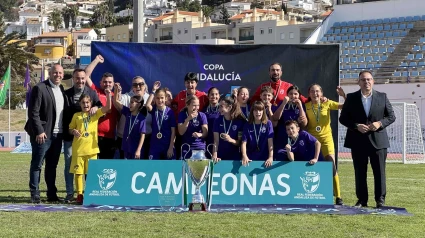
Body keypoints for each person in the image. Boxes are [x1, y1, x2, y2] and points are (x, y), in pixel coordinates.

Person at [339, 70, 396, 208]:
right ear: (359, 82)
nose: (366, 82)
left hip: (378, 142)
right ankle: (362, 200)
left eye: (369, 79)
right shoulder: (351, 98)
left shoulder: (382, 97)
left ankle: (380, 200)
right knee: (359, 172)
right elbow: (343, 118)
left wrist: (380, 123)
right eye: (363, 80)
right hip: (358, 141)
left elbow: (391, 116)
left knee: (379, 172)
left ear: (373, 81)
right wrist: (356, 126)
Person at [25, 64, 65, 203]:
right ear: (50, 73)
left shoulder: (61, 89)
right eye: (55, 72)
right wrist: (39, 131)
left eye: (60, 73)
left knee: (52, 166)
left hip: (57, 135)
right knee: (37, 164)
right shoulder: (40, 88)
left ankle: (51, 194)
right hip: (42, 135)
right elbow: (33, 112)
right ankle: (35, 193)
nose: (58, 75)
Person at [63, 69, 102, 203]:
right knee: (71, 167)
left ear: (86, 79)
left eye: (82, 78)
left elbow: (101, 106)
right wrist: (71, 130)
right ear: (73, 79)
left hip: (89, 142)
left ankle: (89, 193)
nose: (80, 81)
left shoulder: (91, 92)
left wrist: (96, 107)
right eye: (77, 78)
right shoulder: (66, 93)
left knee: (89, 170)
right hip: (71, 137)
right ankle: (70, 193)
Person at [305, 83, 346, 205]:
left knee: (331, 166)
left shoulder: (327, 103)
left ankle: (338, 196)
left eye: (317, 91)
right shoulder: (306, 105)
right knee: (311, 166)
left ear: (321, 93)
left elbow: (345, 106)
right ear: (309, 94)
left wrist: (343, 95)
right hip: (312, 140)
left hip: (326, 139)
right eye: (312, 91)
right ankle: (311, 195)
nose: (315, 93)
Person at [68, 90, 112, 204]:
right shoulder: (76, 116)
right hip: (78, 150)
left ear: (91, 103)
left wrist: (108, 94)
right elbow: (70, 128)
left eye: (87, 102)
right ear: (80, 104)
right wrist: (74, 131)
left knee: (91, 174)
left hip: (92, 150)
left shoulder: (95, 114)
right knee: (78, 173)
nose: (86, 105)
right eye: (83, 103)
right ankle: (80, 195)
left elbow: (107, 107)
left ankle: (91, 193)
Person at [85, 55, 119, 159]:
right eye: (104, 82)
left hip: (109, 138)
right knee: (91, 167)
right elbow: (85, 76)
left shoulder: (116, 97)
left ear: (113, 84)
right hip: (93, 136)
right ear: (100, 83)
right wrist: (96, 61)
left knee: (106, 169)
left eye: (109, 82)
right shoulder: (95, 92)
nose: (107, 84)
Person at [116, 76, 149, 159]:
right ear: (132, 87)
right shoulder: (128, 97)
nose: (138, 87)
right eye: (135, 85)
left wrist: (154, 92)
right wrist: (117, 91)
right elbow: (117, 101)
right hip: (127, 141)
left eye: (140, 84)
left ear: (145, 86)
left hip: (146, 138)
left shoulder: (150, 98)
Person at [273, 86, 308, 161]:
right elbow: (275, 118)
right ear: (287, 95)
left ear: (299, 96)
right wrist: (283, 103)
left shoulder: (301, 105)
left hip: (297, 140)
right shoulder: (282, 103)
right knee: (280, 159)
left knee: (298, 160)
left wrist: (300, 107)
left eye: (295, 94)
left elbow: (304, 124)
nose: (293, 96)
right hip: (282, 139)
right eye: (290, 94)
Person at [145, 81, 177, 160]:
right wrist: (153, 91)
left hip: (167, 144)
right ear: (155, 99)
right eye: (157, 98)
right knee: (153, 167)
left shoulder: (170, 112)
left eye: (162, 98)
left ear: (166, 98)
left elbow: (173, 131)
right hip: (155, 145)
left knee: (171, 168)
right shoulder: (154, 109)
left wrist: (171, 147)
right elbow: (147, 105)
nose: (160, 100)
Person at [241, 101, 274, 168]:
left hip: (264, 159)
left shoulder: (268, 123)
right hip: (250, 158)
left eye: (260, 110)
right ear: (252, 112)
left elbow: (270, 142)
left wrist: (270, 157)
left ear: (263, 112)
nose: (258, 113)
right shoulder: (248, 125)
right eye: (255, 110)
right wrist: (244, 156)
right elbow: (244, 143)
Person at [212, 96, 245, 162]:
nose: (219, 109)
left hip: (234, 158)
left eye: (221, 106)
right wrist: (214, 155)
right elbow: (216, 141)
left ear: (229, 107)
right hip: (220, 158)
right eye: (219, 106)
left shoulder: (239, 122)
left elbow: (240, 142)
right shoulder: (217, 120)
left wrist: (231, 140)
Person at [203, 87, 221, 156]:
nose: (214, 96)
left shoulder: (224, 110)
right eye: (212, 94)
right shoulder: (204, 111)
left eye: (216, 94)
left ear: (219, 96)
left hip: (221, 142)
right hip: (208, 141)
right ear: (208, 96)